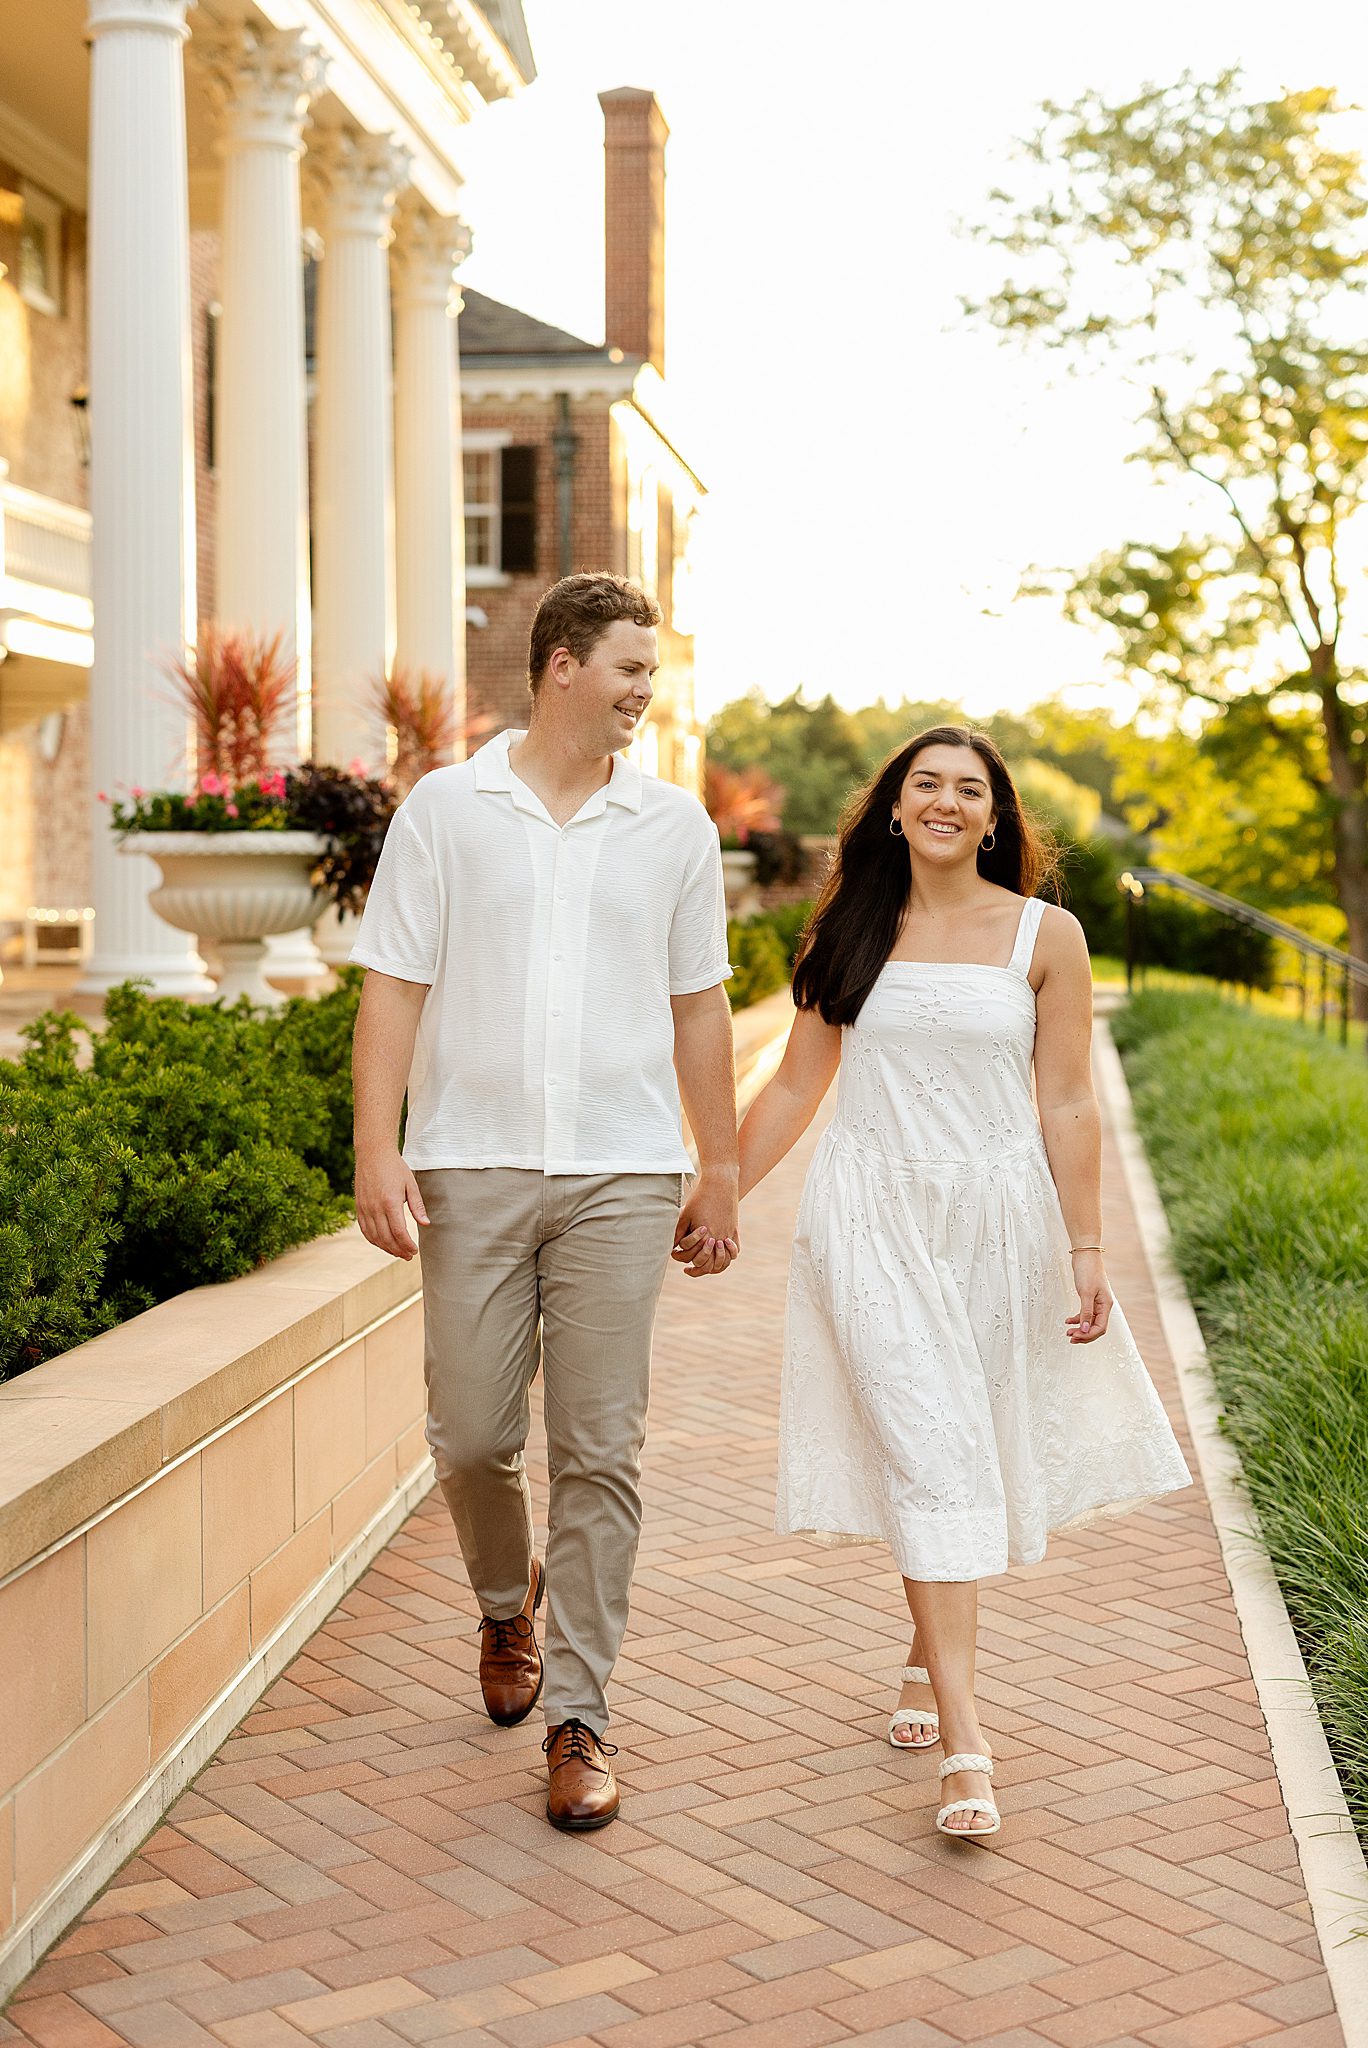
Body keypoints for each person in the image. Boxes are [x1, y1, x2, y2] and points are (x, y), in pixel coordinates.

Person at [730, 725, 1191, 1842]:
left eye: (967, 789)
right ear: (893, 807)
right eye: (923, 783)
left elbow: (1069, 1101)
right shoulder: (849, 928)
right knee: (931, 1448)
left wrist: (1087, 1248)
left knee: (962, 1445)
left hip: (998, 1221)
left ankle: (920, 1652)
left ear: (996, 818)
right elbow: (796, 1084)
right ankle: (968, 1735)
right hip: (869, 1216)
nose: (944, 801)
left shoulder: (1048, 934)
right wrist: (718, 1190)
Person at [350, 572, 739, 1834]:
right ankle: (502, 1603)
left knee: (601, 1447)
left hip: (624, 1166)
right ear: (563, 662)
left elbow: (699, 1006)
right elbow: (395, 986)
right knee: (468, 1435)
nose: (646, 691)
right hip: (470, 1159)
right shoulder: (446, 809)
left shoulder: (675, 826)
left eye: (654, 673)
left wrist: (718, 1163)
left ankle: (579, 1711)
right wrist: (377, 1144)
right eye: (631, 667)